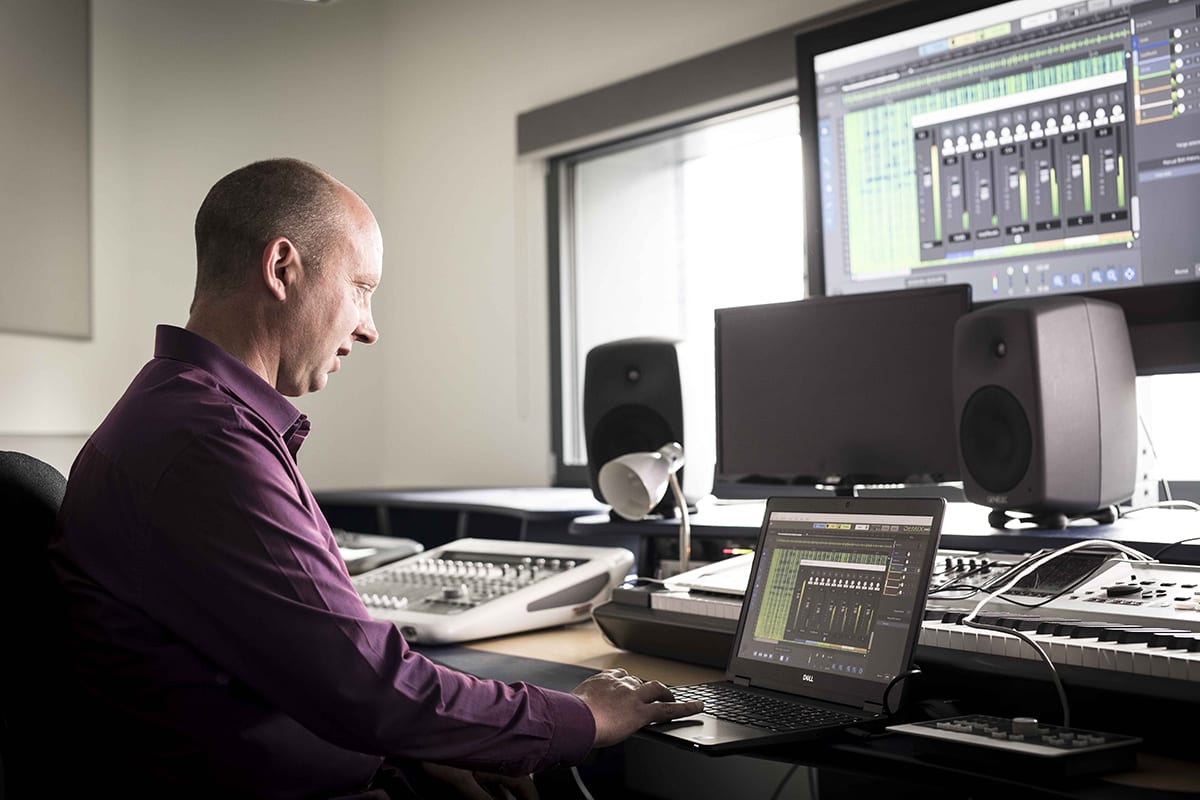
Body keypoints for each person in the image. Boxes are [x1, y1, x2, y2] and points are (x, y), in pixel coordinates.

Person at [50, 158, 703, 799]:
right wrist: (584, 718)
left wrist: (423, 750)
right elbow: (368, 690)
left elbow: (303, 675)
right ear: (282, 268)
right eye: (362, 288)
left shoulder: (184, 414)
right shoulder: (205, 442)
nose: (368, 328)